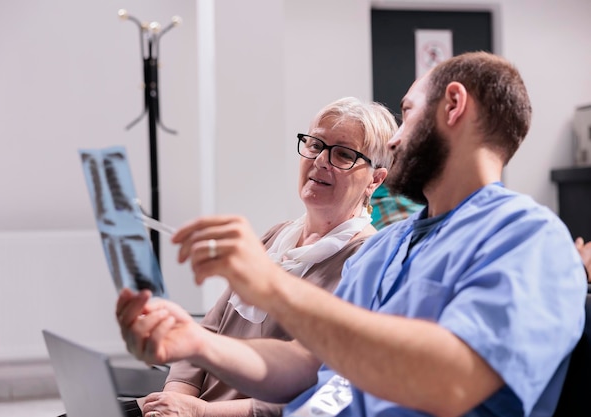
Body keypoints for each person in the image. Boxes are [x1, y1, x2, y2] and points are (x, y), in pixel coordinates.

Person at [116, 52, 588, 417]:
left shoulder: (526, 238)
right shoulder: (386, 247)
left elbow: (451, 381)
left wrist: (272, 285)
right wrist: (196, 344)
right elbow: (306, 366)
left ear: (454, 104)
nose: (397, 138)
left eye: (406, 114)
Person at [134, 97, 398, 417]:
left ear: (376, 179)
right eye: (315, 145)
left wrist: (200, 412)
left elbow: (326, 397)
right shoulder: (276, 236)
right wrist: (173, 399)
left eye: (343, 154)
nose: (320, 161)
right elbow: (209, 330)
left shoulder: (366, 262)